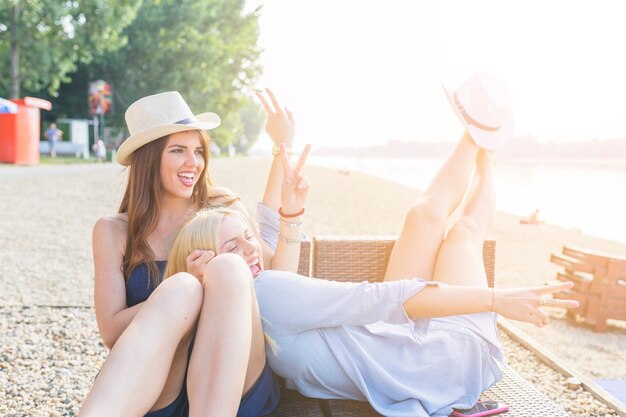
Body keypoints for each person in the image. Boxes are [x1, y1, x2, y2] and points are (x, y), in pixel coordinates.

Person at [163, 73, 580, 417]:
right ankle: (486, 153)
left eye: (246, 238)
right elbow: (381, 297)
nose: (251, 251)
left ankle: (479, 140)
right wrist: (496, 299)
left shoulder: (263, 287)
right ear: (212, 267)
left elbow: (269, 229)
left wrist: (281, 147)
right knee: (463, 235)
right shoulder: (263, 294)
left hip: (396, 340)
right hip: (448, 360)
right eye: (233, 249)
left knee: (422, 216)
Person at [79, 88, 297, 417]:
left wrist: (285, 160)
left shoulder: (222, 205)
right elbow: (111, 332)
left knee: (227, 270)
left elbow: (279, 277)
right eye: (178, 150)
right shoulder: (113, 231)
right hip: (158, 382)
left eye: (198, 150)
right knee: (182, 287)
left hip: (234, 379)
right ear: (149, 158)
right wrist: (185, 277)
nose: (193, 163)